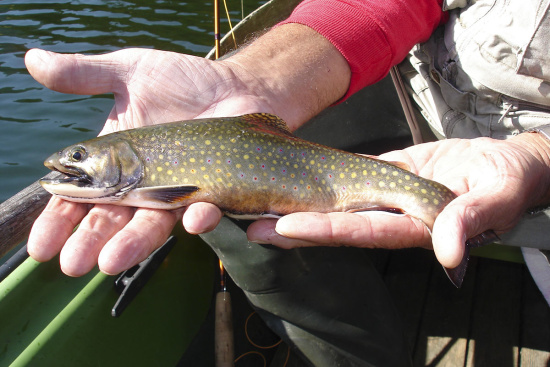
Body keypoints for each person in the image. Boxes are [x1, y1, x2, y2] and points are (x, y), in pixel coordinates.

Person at [25, 0, 550, 365]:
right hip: (445, 112)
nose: (68, 163)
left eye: (79, 157)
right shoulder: (141, 163)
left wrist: (540, 156)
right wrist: (248, 81)